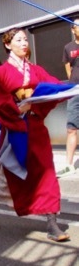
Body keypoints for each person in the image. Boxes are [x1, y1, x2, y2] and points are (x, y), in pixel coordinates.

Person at [0, 28, 70, 241]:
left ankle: (51, 223)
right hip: (15, 128)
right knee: (7, 175)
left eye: (25, 39)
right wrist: (15, 109)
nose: (24, 43)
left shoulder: (36, 70)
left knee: (46, 172)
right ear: (8, 45)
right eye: (18, 40)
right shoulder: (1, 73)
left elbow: (54, 86)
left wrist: (71, 87)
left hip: (36, 127)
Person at [59, 18, 79, 176]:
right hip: (74, 91)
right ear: (73, 30)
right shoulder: (68, 47)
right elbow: (68, 68)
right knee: (71, 128)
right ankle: (69, 164)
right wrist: (72, 85)